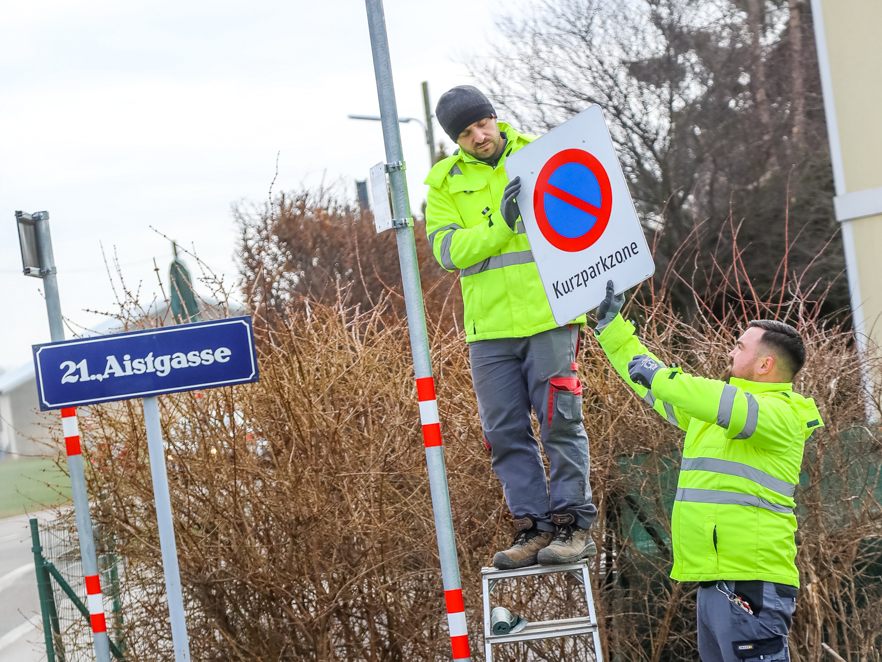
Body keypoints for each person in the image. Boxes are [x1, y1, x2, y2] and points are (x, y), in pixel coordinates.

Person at [593, 280, 824, 661]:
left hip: (751, 583)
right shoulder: (719, 411)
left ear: (766, 364)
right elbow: (654, 385)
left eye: (740, 347)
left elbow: (705, 395)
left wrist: (662, 376)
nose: (730, 351)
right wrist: (613, 331)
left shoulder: (783, 415)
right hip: (717, 584)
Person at [424, 85, 597, 569]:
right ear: (454, 139)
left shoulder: (541, 154)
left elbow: (585, 216)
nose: (480, 136)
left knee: (561, 423)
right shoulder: (442, 184)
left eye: (484, 123)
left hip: (550, 316)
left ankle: (573, 526)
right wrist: (502, 222)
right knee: (503, 434)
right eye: (466, 132)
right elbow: (447, 252)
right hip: (490, 330)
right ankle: (534, 529)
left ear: (496, 118)